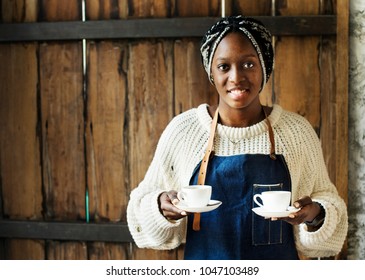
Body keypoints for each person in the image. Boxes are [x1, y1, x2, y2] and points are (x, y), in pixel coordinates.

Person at [126, 15, 348, 259]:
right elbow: (140, 217)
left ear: (265, 67)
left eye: (248, 64)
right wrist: (160, 207)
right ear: (211, 71)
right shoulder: (184, 131)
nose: (236, 77)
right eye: (224, 66)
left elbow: (330, 218)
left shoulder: (296, 132)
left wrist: (316, 215)